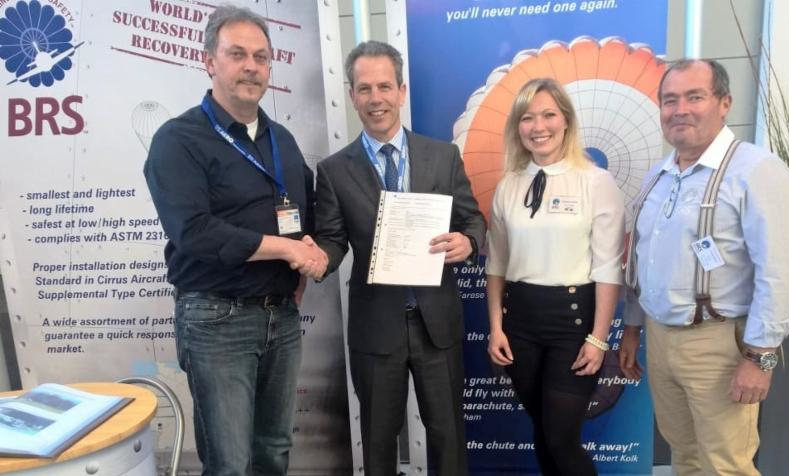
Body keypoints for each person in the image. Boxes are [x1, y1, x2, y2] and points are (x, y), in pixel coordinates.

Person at [143, 5, 327, 475]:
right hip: (216, 319)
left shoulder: (280, 139)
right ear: (209, 61)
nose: (251, 66)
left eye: (261, 57)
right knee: (229, 463)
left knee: (273, 452)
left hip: (280, 318)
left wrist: (309, 249)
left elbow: (301, 211)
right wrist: (287, 249)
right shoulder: (178, 140)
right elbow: (194, 232)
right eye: (237, 54)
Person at [619, 59, 789, 475]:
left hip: (719, 345)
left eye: (694, 97)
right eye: (669, 100)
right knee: (686, 457)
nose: (679, 109)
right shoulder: (658, 177)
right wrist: (632, 328)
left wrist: (760, 357)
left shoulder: (756, 171)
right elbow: (641, 261)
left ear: (724, 103)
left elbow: (780, 271)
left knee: (726, 466)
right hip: (660, 339)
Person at [313, 40, 486, 475]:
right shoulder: (334, 171)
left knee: (448, 435)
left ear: (402, 91)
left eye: (385, 86)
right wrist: (317, 258)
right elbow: (334, 240)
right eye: (365, 89)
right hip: (376, 327)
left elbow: (473, 221)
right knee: (377, 439)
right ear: (351, 94)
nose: (376, 99)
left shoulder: (442, 156)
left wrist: (468, 243)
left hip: (437, 324)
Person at [485, 78, 625, 475]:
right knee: (543, 431)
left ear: (566, 120)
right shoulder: (509, 184)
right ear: (517, 127)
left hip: (574, 323)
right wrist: (496, 328)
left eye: (548, 114)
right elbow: (495, 265)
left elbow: (609, 268)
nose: (538, 126)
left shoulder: (596, 181)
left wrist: (599, 338)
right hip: (521, 324)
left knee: (562, 439)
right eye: (527, 118)